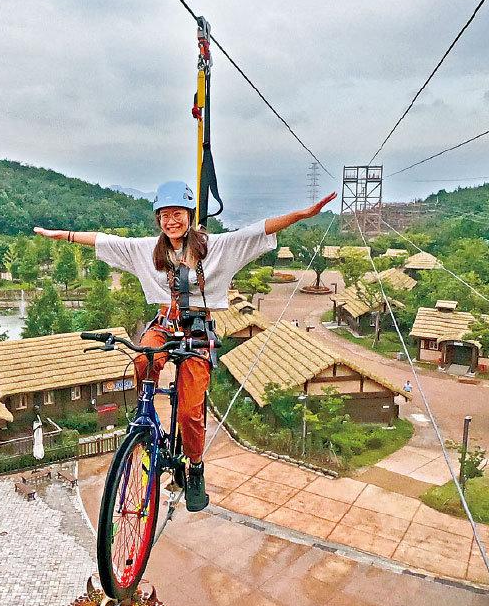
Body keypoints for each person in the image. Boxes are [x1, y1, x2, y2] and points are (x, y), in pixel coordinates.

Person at [35, 182, 333, 511]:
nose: (170, 221)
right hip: (165, 321)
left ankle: (195, 466)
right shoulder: (149, 250)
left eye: (177, 214)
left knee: (191, 412)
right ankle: (144, 416)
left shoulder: (216, 246)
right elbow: (107, 241)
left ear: (189, 216)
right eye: (164, 215)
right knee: (144, 358)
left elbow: (258, 230)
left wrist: (302, 215)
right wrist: (61, 234)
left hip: (198, 328)